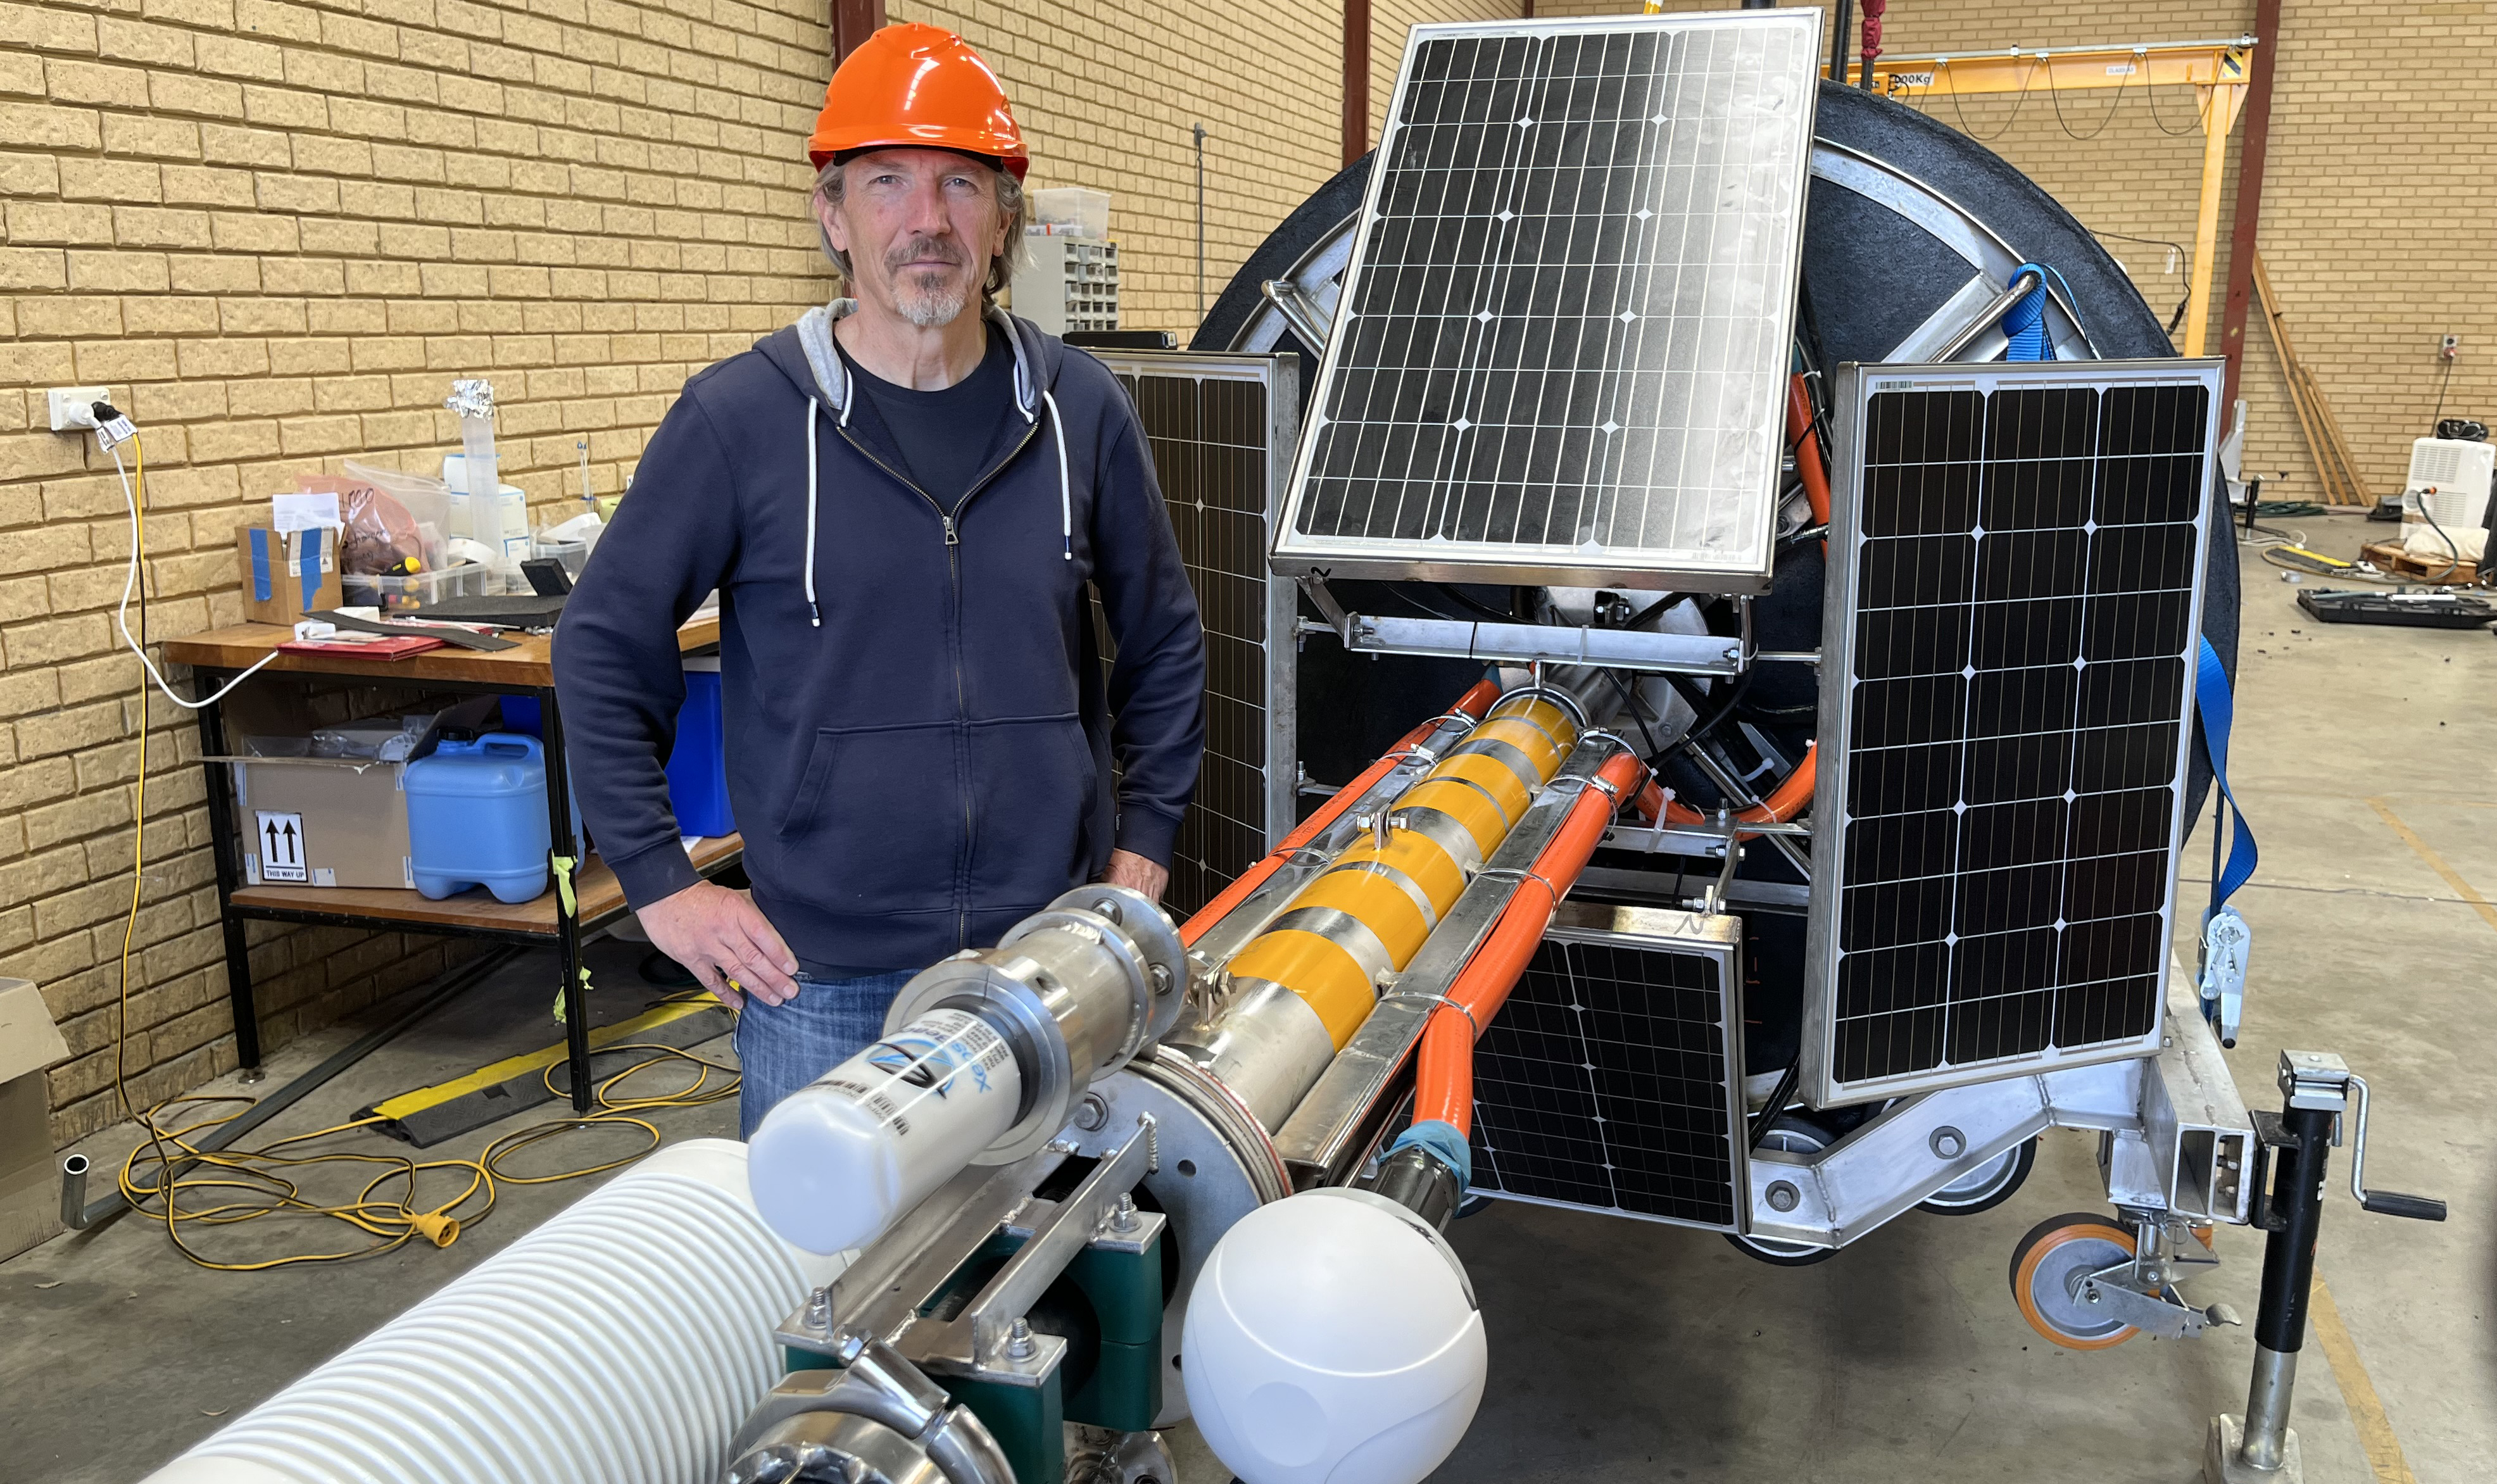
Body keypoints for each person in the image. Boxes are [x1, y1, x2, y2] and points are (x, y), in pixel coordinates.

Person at [553, 22, 1205, 1137]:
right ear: (832, 214)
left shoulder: (1079, 413)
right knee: (828, 1290)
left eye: (963, 183)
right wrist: (664, 887)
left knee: (1040, 1272)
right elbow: (602, 644)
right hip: (820, 985)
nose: (927, 220)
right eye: (889, 182)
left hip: (1044, 966)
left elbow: (1168, 642)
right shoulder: (740, 421)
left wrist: (1141, 849)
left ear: (1004, 219)